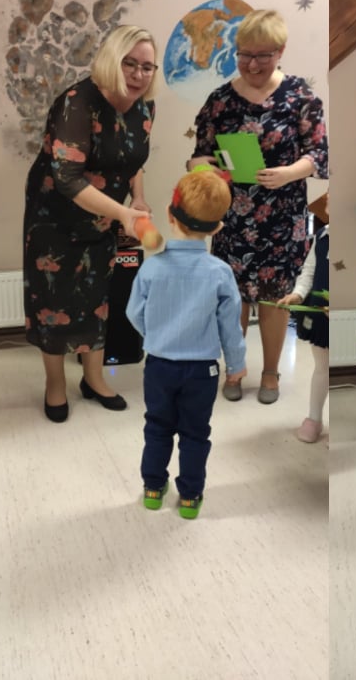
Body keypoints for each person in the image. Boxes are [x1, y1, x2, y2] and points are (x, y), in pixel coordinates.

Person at [187, 9, 328, 405]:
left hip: (283, 216)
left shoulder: (300, 97)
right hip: (232, 217)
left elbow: (319, 154)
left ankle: (270, 372)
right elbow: (198, 156)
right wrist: (203, 167)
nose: (252, 64)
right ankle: (234, 368)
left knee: (274, 297)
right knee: (233, 297)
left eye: (262, 55)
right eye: (244, 54)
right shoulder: (220, 100)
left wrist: (288, 173)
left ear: (280, 51)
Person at [23, 25, 157, 422]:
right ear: (111, 60)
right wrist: (124, 214)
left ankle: (94, 379)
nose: (138, 74)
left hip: (104, 217)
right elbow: (67, 179)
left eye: (147, 67)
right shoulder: (77, 103)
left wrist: (138, 198)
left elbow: (134, 160)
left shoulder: (145, 107)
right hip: (55, 218)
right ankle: (55, 384)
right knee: (53, 301)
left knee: (98, 295)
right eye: (129, 63)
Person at [125, 169, 247, 518]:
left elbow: (133, 313)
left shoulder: (151, 269)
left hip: (159, 366)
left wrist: (157, 335)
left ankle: (153, 488)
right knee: (195, 433)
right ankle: (191, 497)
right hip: (202, 371)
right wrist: (236, 365)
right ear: (217, 228)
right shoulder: (220, 272)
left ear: (169, 214)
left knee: (157, 427)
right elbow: (230, 326)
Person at [276, 198, 329, 443]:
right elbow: (309, 271)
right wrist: (297, 294)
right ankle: (314, 419)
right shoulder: (322, 235)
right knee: (322, 367)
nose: (329, 197)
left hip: (338, 313)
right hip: (320, 314)